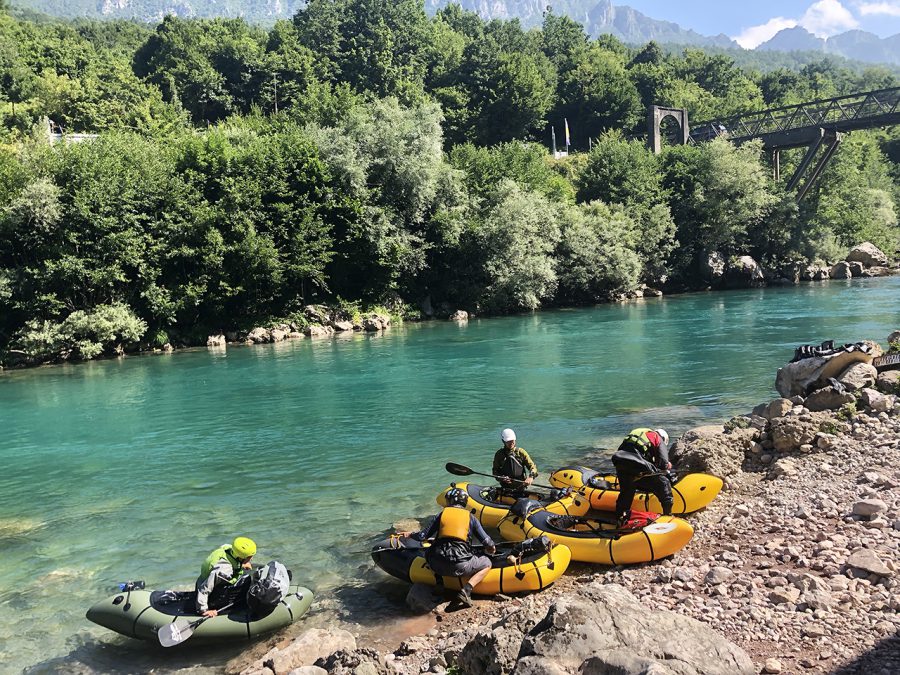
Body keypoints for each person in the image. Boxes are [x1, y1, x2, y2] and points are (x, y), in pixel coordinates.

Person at [401, 488, 495, 607]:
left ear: (449, 501)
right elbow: (488, 543)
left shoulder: (441, 515)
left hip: (436, 564)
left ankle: (440, 583)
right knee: (487, 563)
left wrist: (410, 534)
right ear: (464, 502)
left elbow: (422, 536)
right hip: (460, 566)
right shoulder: (471, 518)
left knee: (429, 549)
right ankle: (466, 590)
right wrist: (491, 549)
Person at [611, 428, 673, 524]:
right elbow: (663, 464)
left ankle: (619, 518)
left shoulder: (642, 433)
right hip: (636, 462)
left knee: (627, 492)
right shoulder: (657, 437)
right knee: (664, 483)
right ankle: (668, 515)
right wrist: (668, 466)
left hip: (620, 461)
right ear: (664, 438)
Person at [195, 536, 257, 617]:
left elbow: (231, 559)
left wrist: (242, 564)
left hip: (212, 577)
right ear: (241, 557)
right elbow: (205, 587)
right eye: (249, 557)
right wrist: (203, 610)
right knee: (246, 581)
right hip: (209, 592)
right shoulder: (224, 570)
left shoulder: (228, 548)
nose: (251, 558)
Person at [492, 428, 538, 495]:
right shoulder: (499, 454)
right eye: (508, 441)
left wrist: (531, 477)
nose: (511, 443)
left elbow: (533, 467)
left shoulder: (521, 452)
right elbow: (495, 471)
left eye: (512, 440)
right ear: (503, 441)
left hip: (521, 487)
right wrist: (502, 478)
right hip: (505, 487)